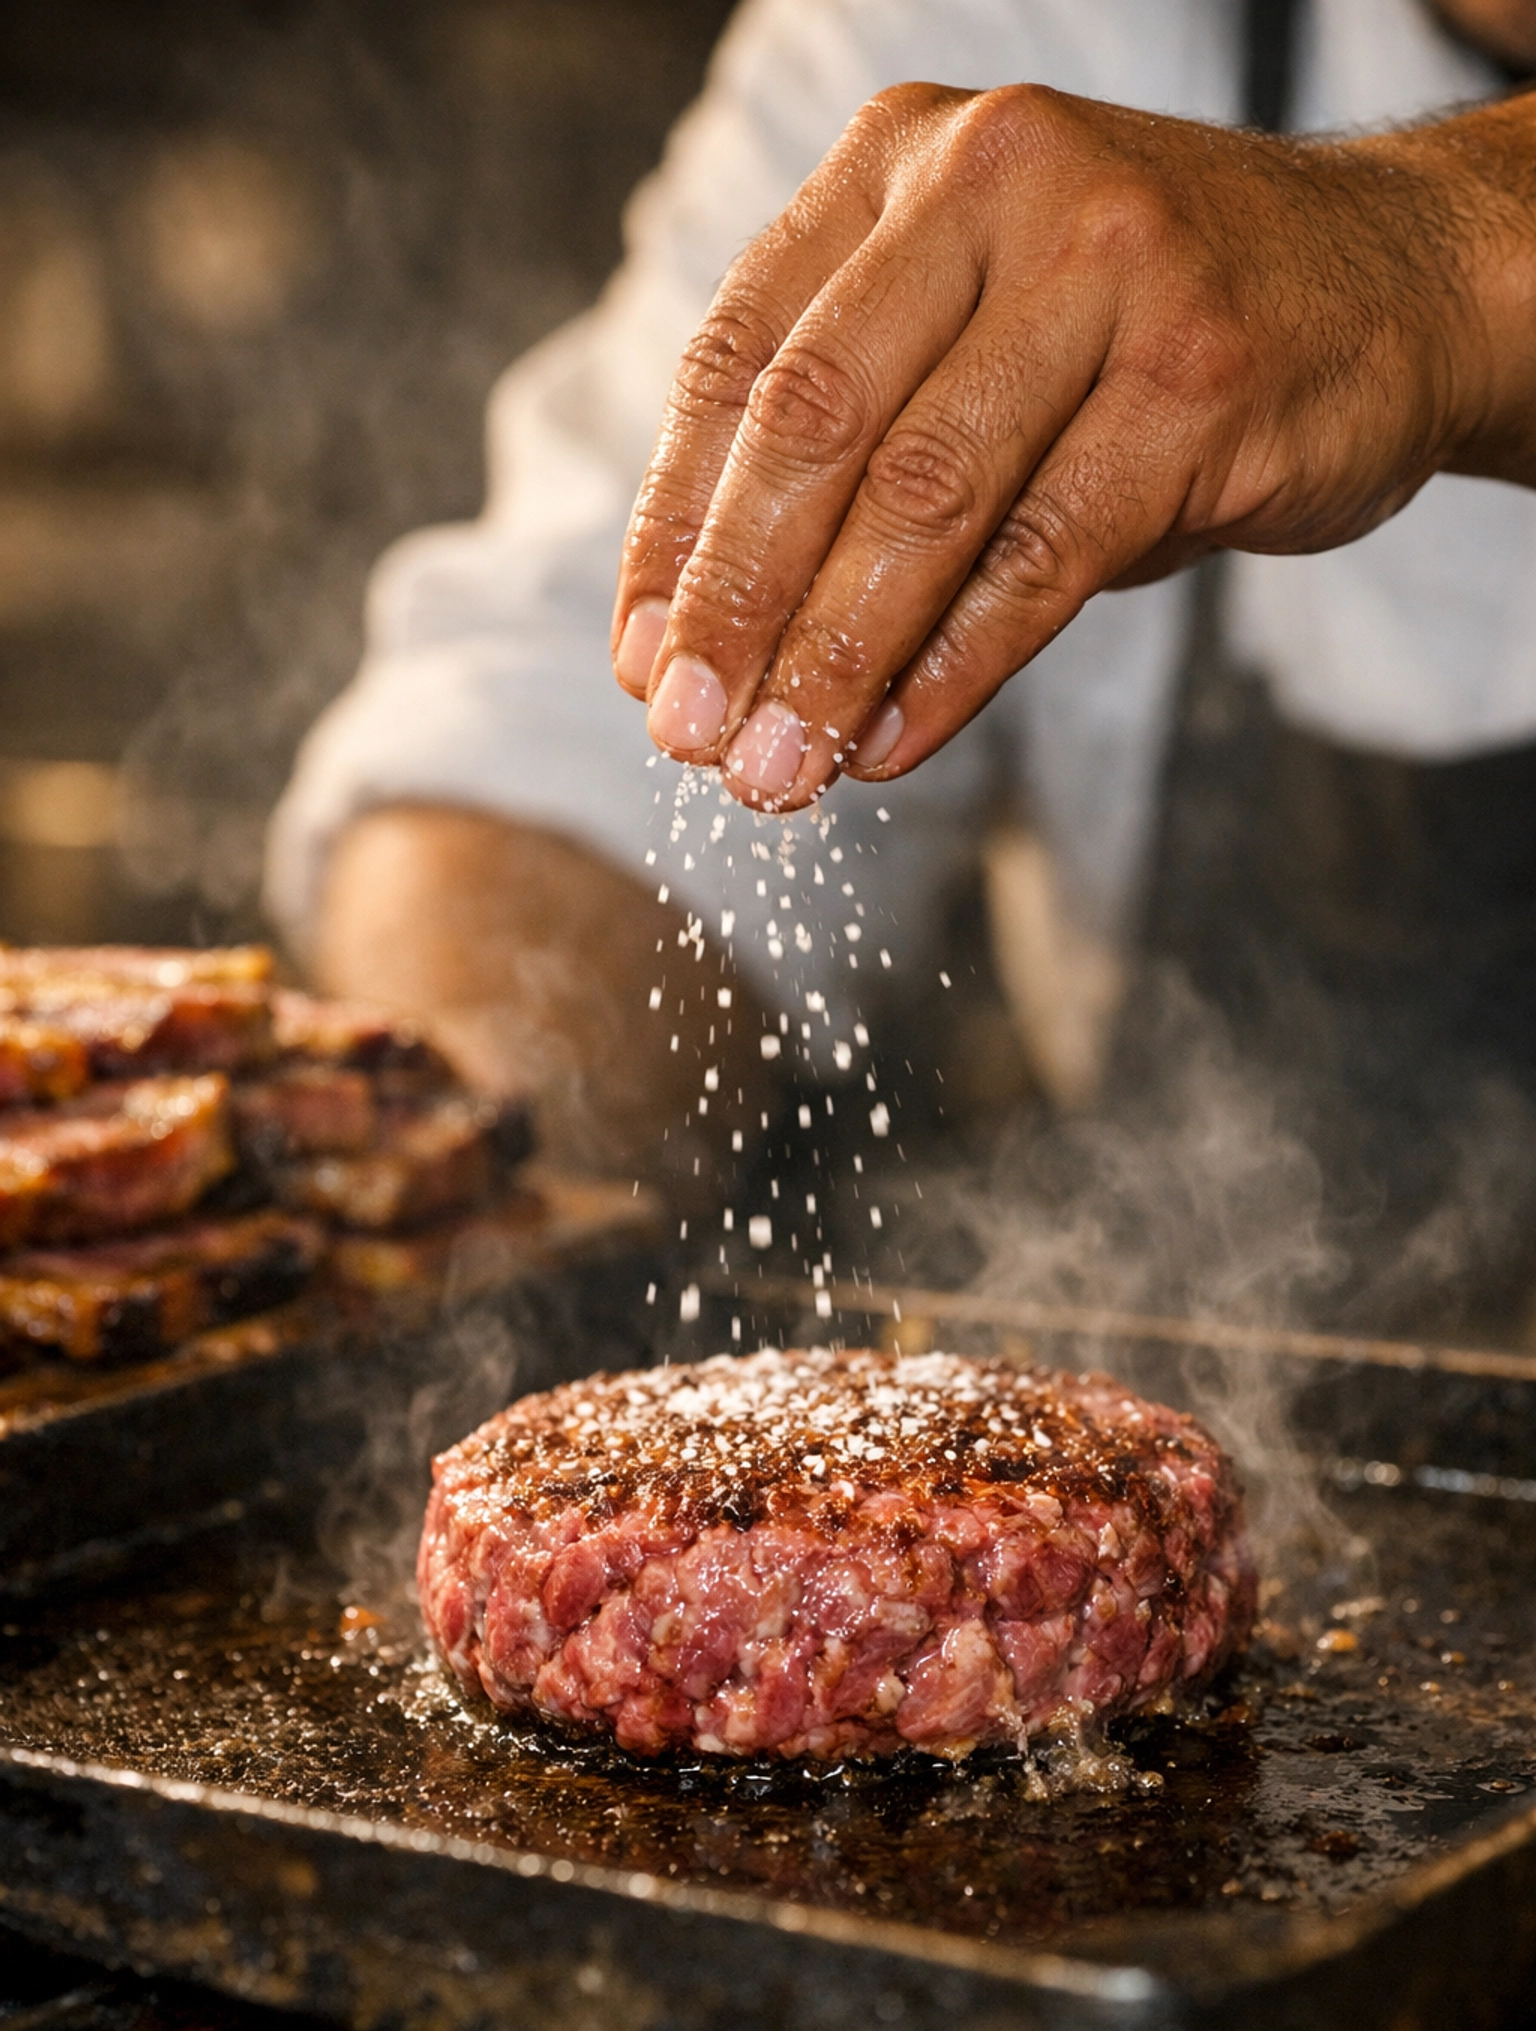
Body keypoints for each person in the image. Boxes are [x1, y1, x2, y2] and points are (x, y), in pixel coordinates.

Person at [265, 0, 1536, 1223]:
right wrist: (474, 1159)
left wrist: (1442, 250)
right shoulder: (985, 51)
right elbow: (563, 742)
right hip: (1229, 1330)